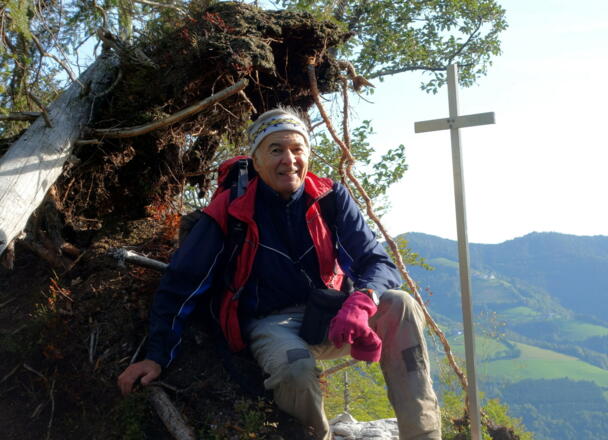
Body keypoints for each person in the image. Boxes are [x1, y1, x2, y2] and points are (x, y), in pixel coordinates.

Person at [117, 107, 441, 440]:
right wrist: (156, 356)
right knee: (295, 369)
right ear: (256, 161)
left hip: (330, 314)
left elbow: (376, 261)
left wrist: (362, 300)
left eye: (298, 149)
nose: (289, 159)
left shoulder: (329, 198)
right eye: (276, 150)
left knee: (400, 304)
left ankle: (423, 435)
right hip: (270, 322)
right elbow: (182, 282)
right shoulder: (232, 209)